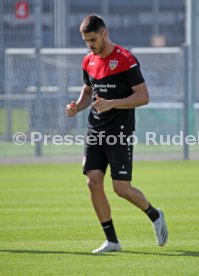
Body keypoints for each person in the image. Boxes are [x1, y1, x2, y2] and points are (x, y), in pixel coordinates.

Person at [66, 14, 168, 253]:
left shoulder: (125, 59)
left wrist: (112, 103)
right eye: (85, 41)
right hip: (95, 129)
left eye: (92, 39)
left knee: (121, 188)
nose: (89, 44)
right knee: (93, 183)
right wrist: (76, 107)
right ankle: (112, 241)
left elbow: (143, 97)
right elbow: (88, 91)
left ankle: (155, 215)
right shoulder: (88, 61)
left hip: (119, 131)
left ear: (104, 33)